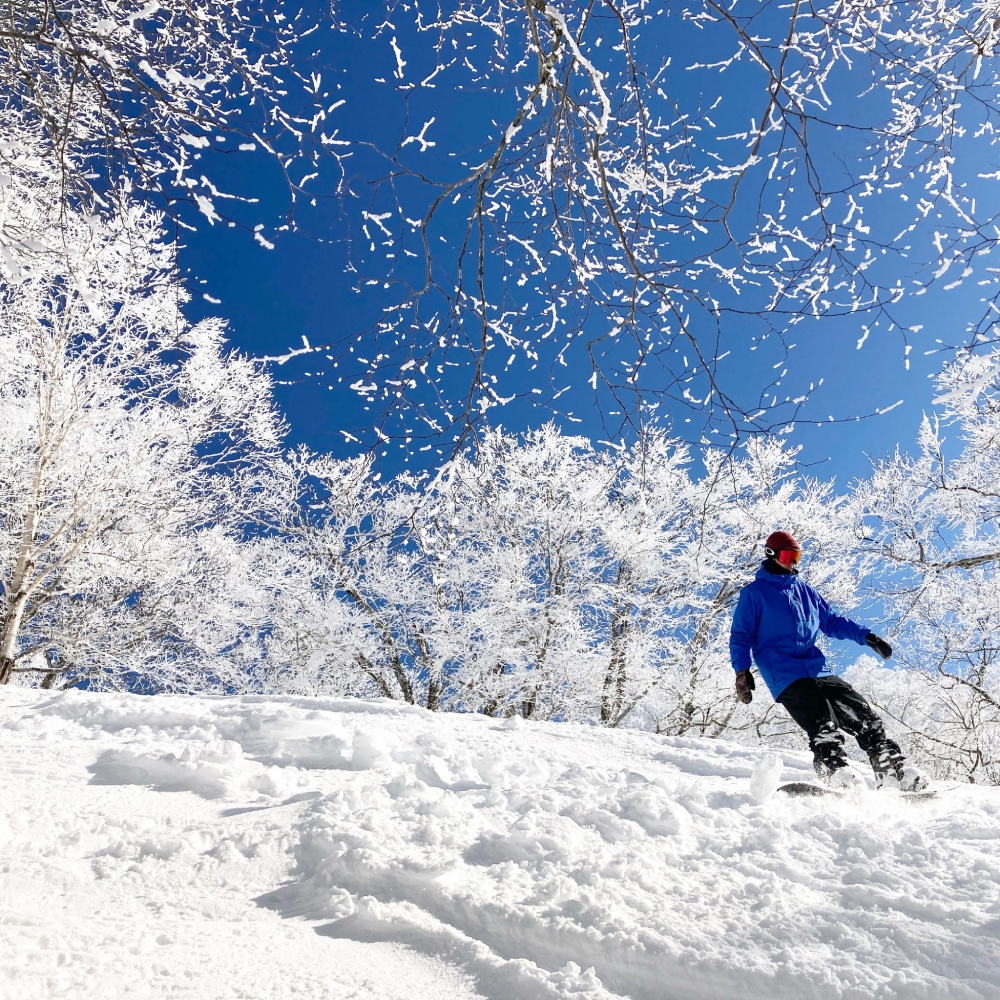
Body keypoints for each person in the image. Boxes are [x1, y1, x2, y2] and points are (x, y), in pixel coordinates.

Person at [729, 530, 928, 791]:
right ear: (771, 554)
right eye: (788, 555)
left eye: (797, 556)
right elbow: (741, 635)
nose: (793, 563)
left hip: (817, 667)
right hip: (783, 671)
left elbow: (832, 622)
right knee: (822, 721)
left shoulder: (805, 592)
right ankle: (834, 771)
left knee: (864, 715)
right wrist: (741, 670)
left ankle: (892, 770)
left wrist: (866, 637)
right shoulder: (754, 594)